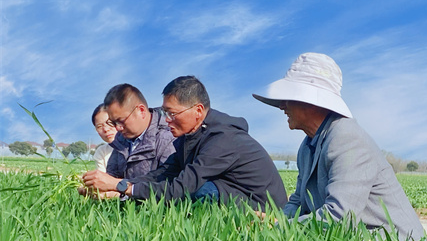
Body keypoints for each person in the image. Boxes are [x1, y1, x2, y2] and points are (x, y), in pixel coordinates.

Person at [253, 52, 424, 241]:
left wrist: (278, 229)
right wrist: (273, 222)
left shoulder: (346, 138)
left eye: (288, 98)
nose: (282, 106)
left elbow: (340, 217)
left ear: (311, 102)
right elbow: (299, 201)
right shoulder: (308, 145)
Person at [83, 76, 288, 210]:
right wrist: (118, 188)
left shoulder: (223, 139)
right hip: (230, 193)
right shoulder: (189, 136)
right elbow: (163, 173)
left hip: (263, 208)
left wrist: (120, 186)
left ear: (198, 111)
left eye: (172, 113)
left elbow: (181, 187)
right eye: (165, 112)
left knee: (197, 191)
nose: (167, 119)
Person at [81, 84, 176, 196]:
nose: (118, 128)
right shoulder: (121, 139)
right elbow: (112, 177)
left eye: (121, 121)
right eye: (114, 122)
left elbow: (167, 189)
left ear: (141, 111)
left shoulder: (168, 138)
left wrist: (120, 194)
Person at [91, 103, 116, 172]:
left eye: (110, 123)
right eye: (99, 126)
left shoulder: (138, 146)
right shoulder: (102, 152)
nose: (105, 129)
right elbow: (102, 180)